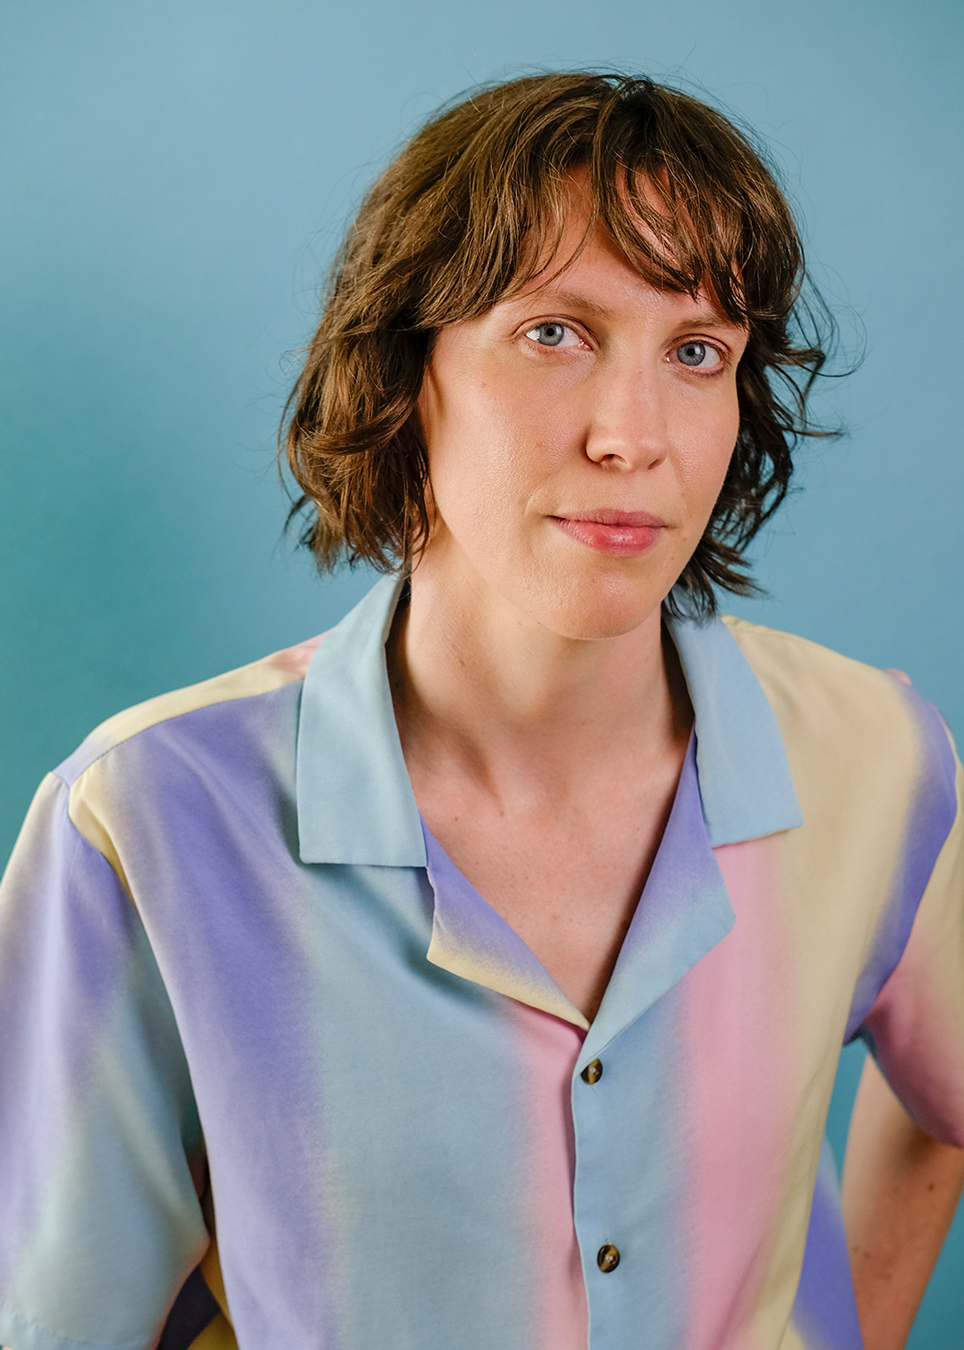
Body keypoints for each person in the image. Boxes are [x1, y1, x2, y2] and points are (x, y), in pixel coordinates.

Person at [0, 70, 962, 1350]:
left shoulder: (874, 754)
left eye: (696, 353)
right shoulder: (146, 820)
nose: (633, 436)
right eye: (553, 332)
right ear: (408, 373)